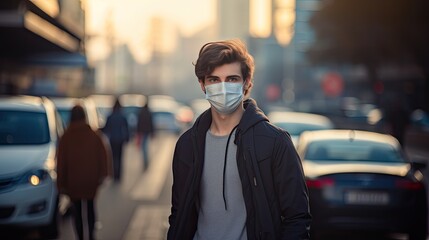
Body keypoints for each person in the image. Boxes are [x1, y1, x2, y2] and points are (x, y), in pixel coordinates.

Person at [167, 39, 311, 240]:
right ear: (202, 84)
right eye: (214, 79)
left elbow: (297, 218)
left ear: (247, 83)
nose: (223, 88)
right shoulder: (187, 145)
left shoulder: (275, 143)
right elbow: (179, 216)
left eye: (232, 79)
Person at [57, 105, 112, 240]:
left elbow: (61, 162)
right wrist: (103, 174)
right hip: (91, 181)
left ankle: (80, 236)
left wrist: (61, 183)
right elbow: (103, 156)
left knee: (77, 211)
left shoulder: (66, 138)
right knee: (90, 208)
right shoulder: (94, 135)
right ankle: (92, 235)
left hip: (73, 182)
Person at [102, 97, 130, 181]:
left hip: (112, 139)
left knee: (114, 157)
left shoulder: (110, 116)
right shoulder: (122, 116)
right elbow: (126, 128)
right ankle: (118, 175)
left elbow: (106, 128)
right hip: (120, 139)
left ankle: (114, 174)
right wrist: (127, 138)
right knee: (120, 157)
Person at [137, 97, 155, 171]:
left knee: (143, 147)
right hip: (147, 132)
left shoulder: (141, 112)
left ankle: (145, 161)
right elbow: (151, 123)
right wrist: (152, 132)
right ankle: (146, 161)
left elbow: (139, 123)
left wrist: (137, 131)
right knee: (145, 146)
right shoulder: (149, 113)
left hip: (142, 132)